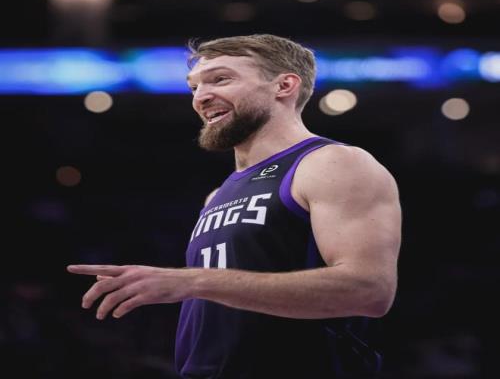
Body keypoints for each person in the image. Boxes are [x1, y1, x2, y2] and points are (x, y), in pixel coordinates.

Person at [67, 34, 402, 379]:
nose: (201, 96)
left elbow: (369, 291)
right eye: (194, 86)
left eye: (220, 79)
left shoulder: (332, 163)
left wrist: (195, 281)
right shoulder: (216, 196)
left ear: (284, 86)